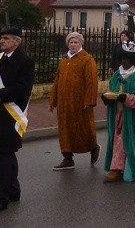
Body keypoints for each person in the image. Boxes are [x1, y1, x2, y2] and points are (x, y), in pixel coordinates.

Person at [0, 27, 34, 216]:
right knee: (4, 152)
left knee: (4, 152)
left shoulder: (25, 61)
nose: (1, 41)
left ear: (16, 41)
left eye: (6, 38)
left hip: (12, 113)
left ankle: (0, 197)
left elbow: (23, 89)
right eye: (1, 38)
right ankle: (12, 190)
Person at [49, 31, 100, 171]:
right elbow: (57, 80)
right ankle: (67, 158)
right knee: (64, 129)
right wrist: (53, 100)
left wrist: (89, 100)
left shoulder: (87, 59)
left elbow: (92, 81)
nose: (73, 44)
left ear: (81, 43)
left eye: (76, 42)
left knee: (83, 129)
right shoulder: (64, 59)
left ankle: (93, 147)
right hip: (64, 104)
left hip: (80, 103)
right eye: (71, 42)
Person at [101, 48, 135, 183]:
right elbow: (111, 90)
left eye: (127, 59)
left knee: (131, 141)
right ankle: (116, 168)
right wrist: (107, 97)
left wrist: (126, 97)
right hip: (116, 115)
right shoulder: (116, 75)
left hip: (131, 117)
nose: (124, 61)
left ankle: (131, 167)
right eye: (122, 59)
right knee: (117, 140)